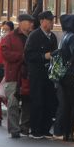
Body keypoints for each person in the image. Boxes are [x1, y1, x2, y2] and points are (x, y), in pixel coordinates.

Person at [24, 10, 58, 139]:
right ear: (42, 21)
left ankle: (45, 129)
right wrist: (44, 56)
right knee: (37, 101)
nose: (52, 23)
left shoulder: (53, 36)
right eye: (50, 21)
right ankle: (35, 130)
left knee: (49, 101)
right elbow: (28, 55)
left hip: (49, 74)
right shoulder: (34, 36)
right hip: (37, 74)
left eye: (52, 21)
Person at [0, 14, 34, 138]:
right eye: (28, 22)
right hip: (13, 74)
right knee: (13, 103)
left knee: (27, 102)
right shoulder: (10, 37)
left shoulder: (32, 36)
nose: (31, 24)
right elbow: (5, 53)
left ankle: (25, 128)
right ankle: (14, 129)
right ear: (21, 23)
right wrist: (21, 56)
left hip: (27, 75)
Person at [53, 14, 74, 141]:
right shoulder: (73, 38)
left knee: (64, 105)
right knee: (72, 105)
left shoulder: (65, 36)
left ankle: (61, 131)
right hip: (71, 76)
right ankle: (69, 131)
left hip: (63, 76)